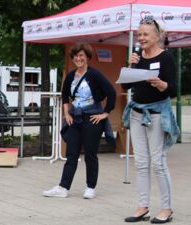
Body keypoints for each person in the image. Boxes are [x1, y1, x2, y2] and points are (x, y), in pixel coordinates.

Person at [122, 19, 179, 223]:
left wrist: (161, 84)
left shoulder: (166, 58)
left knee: (158, 163)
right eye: (139, 35)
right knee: (140, 163)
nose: (142, 38)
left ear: (157, 36)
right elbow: (124, 88)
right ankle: (142, 206)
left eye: (146, 34)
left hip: (156, 115)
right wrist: (130, 65)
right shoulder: (137, 58)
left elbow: (173, 90)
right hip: (137, 114)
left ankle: (166, 209)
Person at [43, 43, 116, 199]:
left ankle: (90, 187)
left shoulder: (95, 75)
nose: (79, 58)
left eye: (82, 55)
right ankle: (63, 187)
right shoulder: (70, 76)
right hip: (75, 119)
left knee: (90, 154)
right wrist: (66, 114)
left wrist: (105, 114)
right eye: (76, 56)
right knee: (71, 154)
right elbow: (64, 96)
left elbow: (111, 93)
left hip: (92, 119)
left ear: (87, 57)